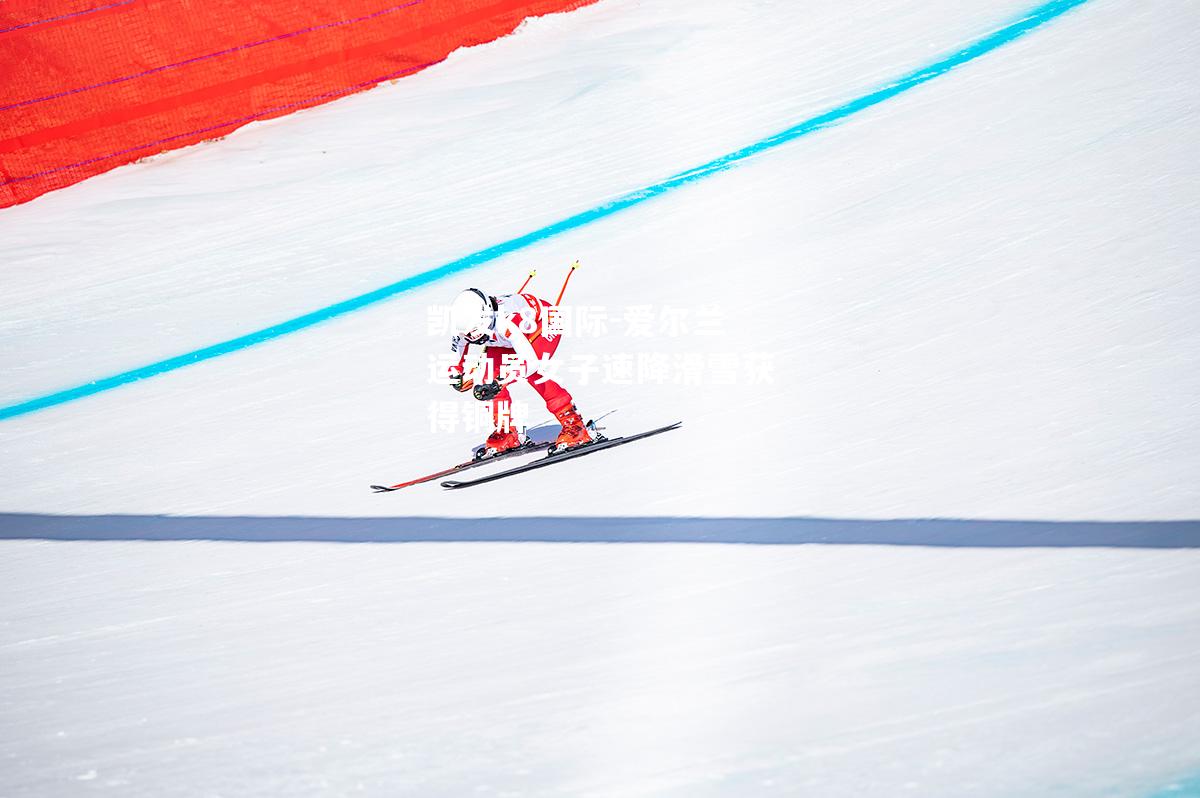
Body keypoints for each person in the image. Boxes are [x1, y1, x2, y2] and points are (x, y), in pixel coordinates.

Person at [447, 287, 592, 455]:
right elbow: (459, 345)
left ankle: (574, 424)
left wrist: (500, 381)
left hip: (543, 324)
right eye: (472, 337)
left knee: (534, 375)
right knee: (487, 376)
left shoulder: (507, 320)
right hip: (510, 339)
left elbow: (530, 362)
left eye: (480, 336)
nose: (477, 340)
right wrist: (456, 374)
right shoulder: (465, 324)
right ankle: (506, 431)